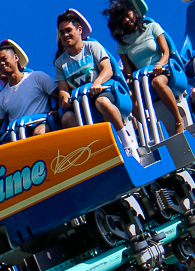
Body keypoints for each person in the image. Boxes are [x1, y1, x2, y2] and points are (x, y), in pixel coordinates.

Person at [54, 10, 139, 159]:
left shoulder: (92, 47)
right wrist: (65, 97)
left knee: (102, 102)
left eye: (68, 30)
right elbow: (63, 89)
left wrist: (97, 82)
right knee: (67, 118)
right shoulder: (60, 63)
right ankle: (89, 154)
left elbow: (107, 69)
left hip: (102, 91)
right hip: (81, 101)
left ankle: (126, 143)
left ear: (79, 30)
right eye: (62, 32)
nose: (65, 35)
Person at [101, 0, 185, 135]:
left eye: (128, 15)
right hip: (142, 78)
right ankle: (151, 127)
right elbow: (128, 70)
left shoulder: (152, 27)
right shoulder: (122, 43)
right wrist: (128, 80)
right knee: (129, 98)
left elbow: (166, 52)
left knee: (157, 83)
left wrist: (159, 65)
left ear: (134, 12)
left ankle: (178, 120)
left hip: (162, 71)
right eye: (123, 19)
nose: (128, 20)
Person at [0, 42, 57, 136]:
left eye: (4, 59)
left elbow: (58, 96)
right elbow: (1, 125)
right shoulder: (0, 98)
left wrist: (57, 112)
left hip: (41, 124)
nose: (2, 63)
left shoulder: (37, 77)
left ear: (16, 57)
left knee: (39, 133)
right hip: (18, 133)